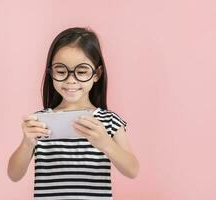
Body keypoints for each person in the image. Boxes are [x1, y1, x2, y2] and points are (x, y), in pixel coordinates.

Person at [7, 27, 140, 199]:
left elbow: (132, 170)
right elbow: (14, 175)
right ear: (51, 72)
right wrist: (27, 143)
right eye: (61, 71)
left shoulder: (109, 121)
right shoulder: (41, 121)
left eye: (82, 71)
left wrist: (106, 143)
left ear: (96, 74)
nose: (71, 80)